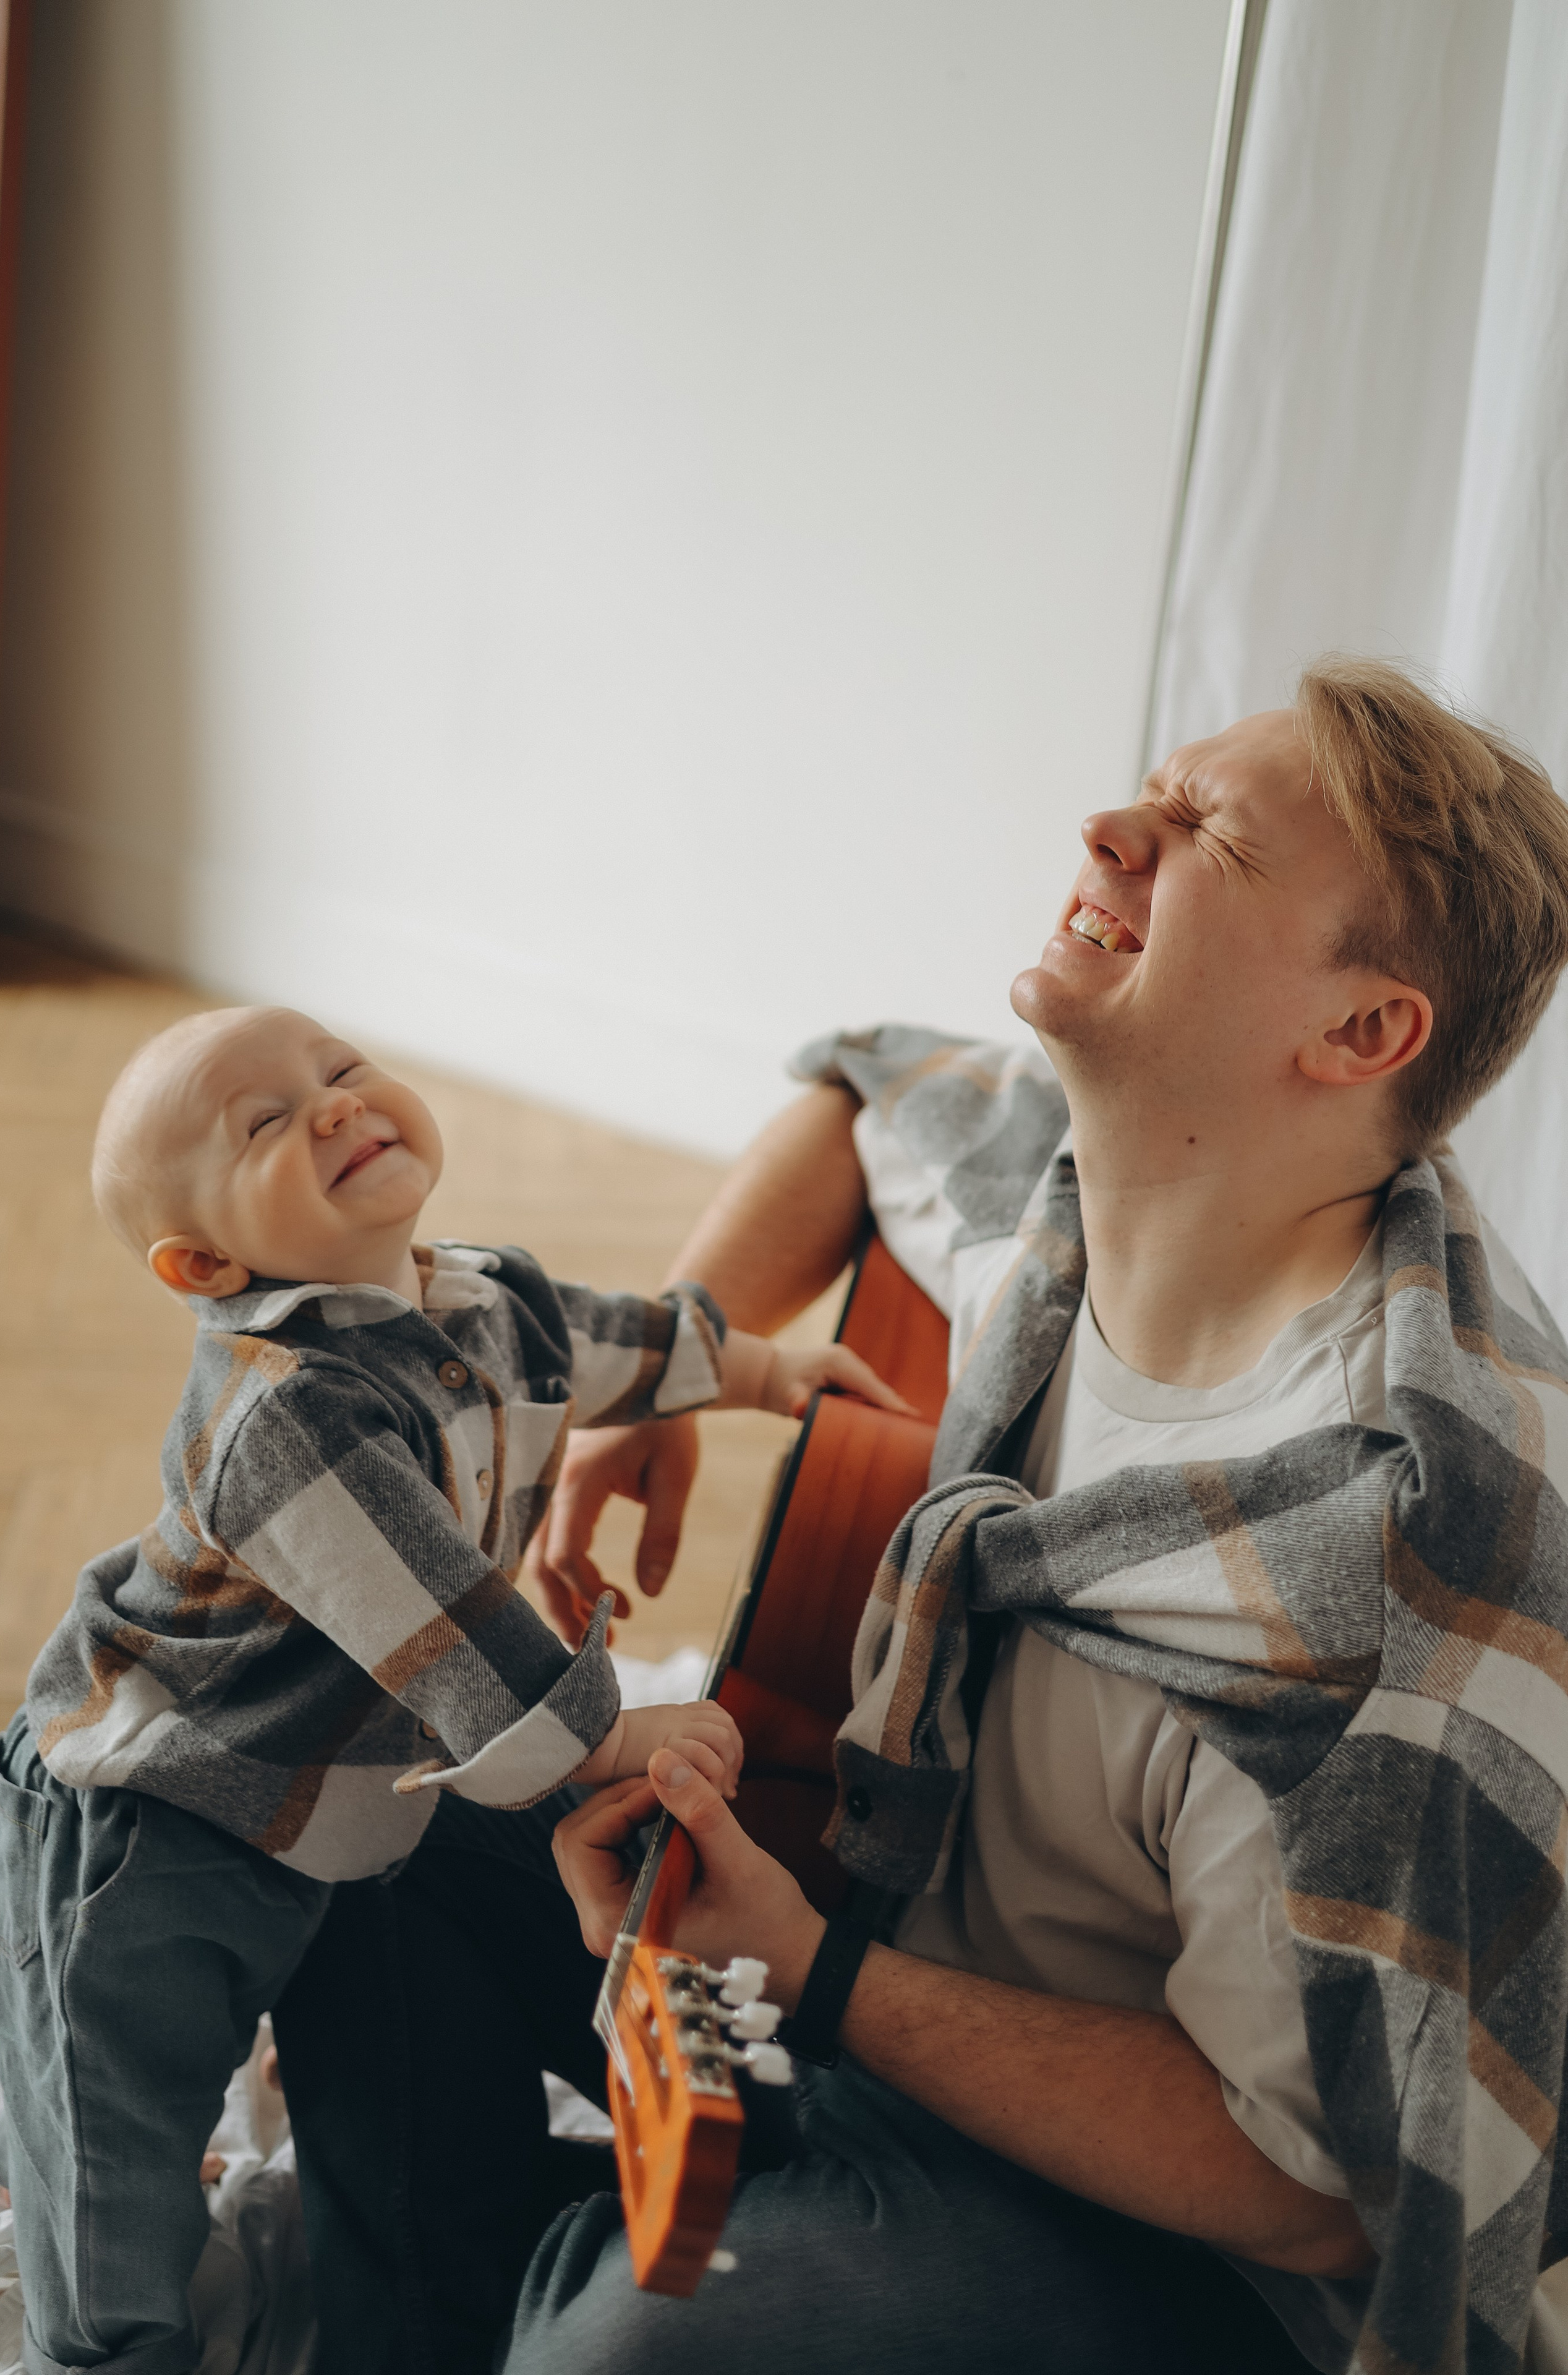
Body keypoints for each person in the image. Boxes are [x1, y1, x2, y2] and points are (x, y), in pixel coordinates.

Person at [279, 659, 1568, 2375]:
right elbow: (864, 1092)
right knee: (314, 1773)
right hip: (859, 1960)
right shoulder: (1116, 1168)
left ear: (1358, 1036)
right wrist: (663, 1384)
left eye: (1205, 836)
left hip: (1180, 2244)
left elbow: (1317, 2186)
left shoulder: (1389, 1580)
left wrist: (813, 1974)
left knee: (633, 2357)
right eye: (1152, 790)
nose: (1108, 829)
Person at [0, 1002, 908, 2375]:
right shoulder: (278, 1416)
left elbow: (597, 1341)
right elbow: (451, 1636)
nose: (335, 1106)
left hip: (339, 1789)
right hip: (155, 1813)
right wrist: (607, 1734)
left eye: (340, 1069)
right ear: (206, 1263)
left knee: (326, 1983)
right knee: (113, 2133)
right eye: (267, 1123)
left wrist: (758, 1368)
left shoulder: (477, 1295)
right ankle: (102, 2342)